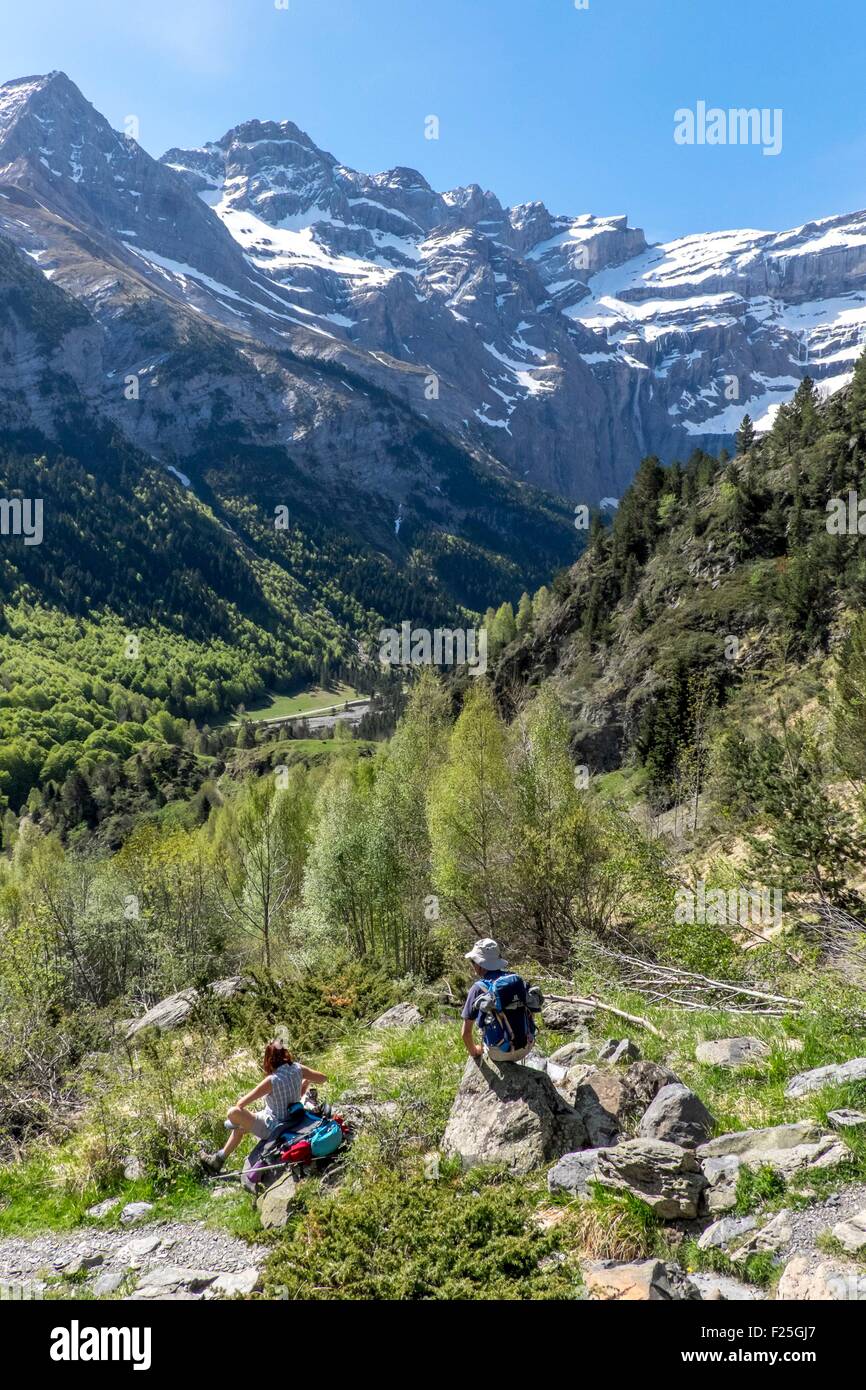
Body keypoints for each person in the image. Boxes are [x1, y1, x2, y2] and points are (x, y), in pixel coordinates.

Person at [201, 1041, 328, 1173]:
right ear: (285, 1053)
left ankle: (218, 1158)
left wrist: (234, 1120)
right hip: (294, 1118)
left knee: (233, 1113)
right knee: (240, 1128)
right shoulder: (298, 1069)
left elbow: (240, 1104)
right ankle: (218, 1159)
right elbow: (323, 1078)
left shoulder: (272, 1080)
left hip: (273, 1127)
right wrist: (305, 1082)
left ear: (269, 1059)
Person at [460, 938, 534, 1062]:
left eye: (473, 961)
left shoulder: (478, 988)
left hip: (500, 1053)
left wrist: (475, 1052)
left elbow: (465, 1033)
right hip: (526, 1047)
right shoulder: (515, 980)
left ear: (479, 964)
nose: (472, 965)